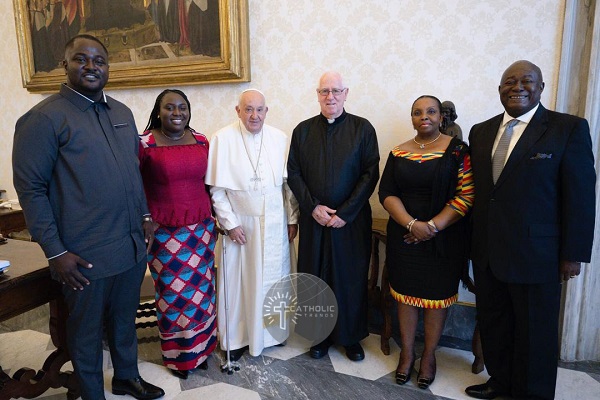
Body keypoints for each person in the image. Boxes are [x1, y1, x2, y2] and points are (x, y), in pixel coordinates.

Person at [12, 34, 165, 400]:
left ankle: (127, 377)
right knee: (85, 333)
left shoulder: (122, 114)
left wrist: (145, 215)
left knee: (124, 320)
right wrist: (54, 253)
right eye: (82, 59)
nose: (92, 66)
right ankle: (92, 394)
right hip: (83, 255)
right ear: (65, 66)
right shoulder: (42, 119)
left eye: (100, 60)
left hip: (130, 245)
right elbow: (31, 190)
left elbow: (132, 172)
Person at [466, 60, 595, 400]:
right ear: (499, 90)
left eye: (527, 80)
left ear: (540, 88)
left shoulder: (567, 129)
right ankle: (501, 382)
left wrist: (574, 254)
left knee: (535, 333)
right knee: (495, 324)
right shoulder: (480, 131)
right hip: (489, 252)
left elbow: (580, 196)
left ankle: (533, 394)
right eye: (509, 81)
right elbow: (481, 194)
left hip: (539, 256)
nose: (517, 86)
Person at [379, 95, 474, 389]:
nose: (425, 117)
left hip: (444, 239)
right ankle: (407, 354)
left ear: (441, 117)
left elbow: (466, 194)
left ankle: (429, 357)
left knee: (436, 301)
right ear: (412, 118)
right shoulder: (398, 152)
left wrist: (431, 227)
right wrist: (412, 224)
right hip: (404, 237)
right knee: (405, 296)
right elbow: (387, 193)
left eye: (431, 111)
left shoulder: (458, 151)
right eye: (418, 112)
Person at [287, 71, 380, 362]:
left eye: (336, 91)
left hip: (349, 222)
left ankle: (350, 337)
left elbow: (370, 173)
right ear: (317, 94)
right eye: (325, 91)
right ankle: (320, 337)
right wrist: (313, 206)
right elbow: (294, 173)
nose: (330, 96)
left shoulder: (363, 129)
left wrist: (346, 213)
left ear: (346, 93)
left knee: (349, 278)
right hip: (314, 220)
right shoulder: (302, 131)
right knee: (316, 277)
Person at [205, 89, 299, 360]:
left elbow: (287, 187)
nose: (254, 115)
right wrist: (230, 224)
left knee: (275, 279)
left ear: (266, 111)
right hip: (241, 227)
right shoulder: (222, 139)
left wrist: (292, 218)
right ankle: (238, 336)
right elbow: (217, 190)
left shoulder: (279, 138)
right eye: (248, 109)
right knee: (239, 283)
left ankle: (272, 334)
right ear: (238, 111)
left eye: (259, 109)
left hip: (275, 223)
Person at [139, 89, 217, 379]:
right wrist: (144, 219)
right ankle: (180, 357)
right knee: (173, 294)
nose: (176, 113)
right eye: (169, 107)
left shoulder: (201, 141)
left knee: (202, 292)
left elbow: (210, 183)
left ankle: (203, 348)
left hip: (201, 229)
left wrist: (217, 218)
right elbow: (135, 186)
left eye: (182, 107)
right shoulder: (144, 143)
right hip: (164, 231)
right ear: (158, 111)